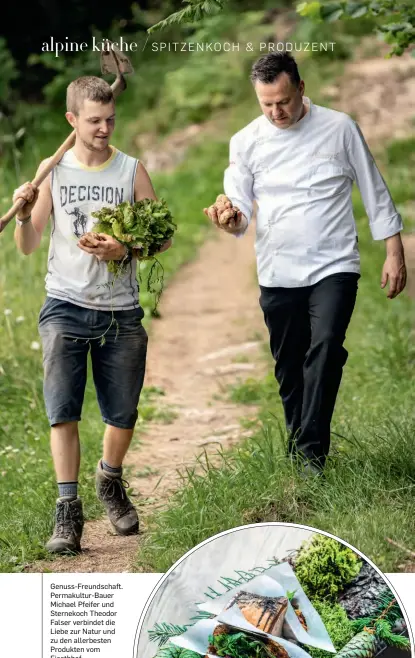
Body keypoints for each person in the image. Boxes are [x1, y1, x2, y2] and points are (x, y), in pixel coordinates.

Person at [204, 52, 406, 473]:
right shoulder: (246, 141)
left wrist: (393, 251)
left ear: (300, 88)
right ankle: (302, 452)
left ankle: (311, 453)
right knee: (289, 366)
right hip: (278, 268)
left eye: (283, 101)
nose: (276, 112)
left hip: (334, 263)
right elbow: (238, 204)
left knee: (327, 347)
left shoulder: (339, 128)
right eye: (267, 104)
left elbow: (374, 189)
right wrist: (229, 218)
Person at [13, 75, 171, 553]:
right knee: (62, 411)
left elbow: (161, 236)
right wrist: (22, 214)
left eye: (110, 120)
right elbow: (27, 245)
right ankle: (68, 511)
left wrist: (125, 246)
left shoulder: (131, 171)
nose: (104, 129)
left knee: (122, 413)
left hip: (120, 312)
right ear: (72, 120)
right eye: (95, 121)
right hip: (64, 304)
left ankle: (110, 479)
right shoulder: (53, 171)